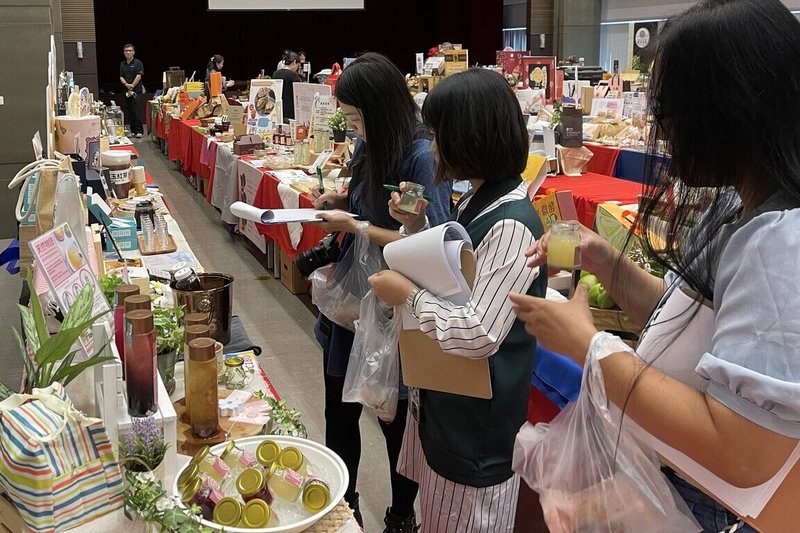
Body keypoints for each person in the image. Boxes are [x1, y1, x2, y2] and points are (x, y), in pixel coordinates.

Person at [510, 1, 800, 531]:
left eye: (669, 112)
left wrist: (590, 346)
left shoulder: (780, 245)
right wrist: (602, 259)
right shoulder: (744, 201)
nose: (662, 134)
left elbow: (741, 451)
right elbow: (680, 315)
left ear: (727, 111)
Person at [368, 68, 547, 532]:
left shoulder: (513, 224)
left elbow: (477, 332)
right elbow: (457, 277)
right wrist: (414, 229)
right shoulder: (482, 200)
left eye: (439, 135)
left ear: (470, 138)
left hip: (475, 436)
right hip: (449, 411)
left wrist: (406, 294)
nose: (433, 148)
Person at [308, 52, 453, 533]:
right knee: (339, 405)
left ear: (379, 108)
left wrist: (359, 225)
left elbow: (427, 241)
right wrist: (339, 202)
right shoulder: (368, 146)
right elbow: (361, 201)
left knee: (392, 415)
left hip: (397, 303)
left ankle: (400, 515)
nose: (351, 129)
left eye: (354, 117)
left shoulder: (418, 156)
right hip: (354, 297)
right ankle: (341, 505)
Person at [119, 44, 144, 138]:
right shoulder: (122, 64)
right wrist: (126, 85)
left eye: (130, 50)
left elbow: (139, 76)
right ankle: (132, 131)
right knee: (129, 111)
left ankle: (139, 131)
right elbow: (121, 76)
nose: (128, 52)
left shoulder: (138, 63)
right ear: (124, 52)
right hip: (126, 91)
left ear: (133, 52)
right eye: (126, 51)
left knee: (136, 111)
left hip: (136, 91)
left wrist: (132, 85)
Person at [272, 52, 302, 120]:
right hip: (289, 112)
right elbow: (298, 95)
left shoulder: (275, 74)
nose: (297, 68)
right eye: (298, 65)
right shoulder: (293, 75)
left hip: (277, 111)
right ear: (294, 62)